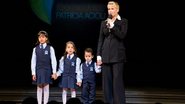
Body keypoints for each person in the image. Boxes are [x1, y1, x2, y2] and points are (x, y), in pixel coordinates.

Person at [96, 1, 128, 104]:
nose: (110, 11)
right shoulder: (104, 22)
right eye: (109, 9)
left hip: (118, 56)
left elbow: (122, 35)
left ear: (117, 9)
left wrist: (112, 26)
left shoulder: (123, 21)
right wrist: (98, 56)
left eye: (112, 8)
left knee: (117, 82)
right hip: (105, 55)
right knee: (106, 83)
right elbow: (101, 39)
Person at [31, 30, 57, 104]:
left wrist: (54, 72)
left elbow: (53, 60)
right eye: (39, 37)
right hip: (38, 70)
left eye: (43, 37)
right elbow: (33, 61)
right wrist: (33, 73)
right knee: (39, 88)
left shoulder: (50, 48)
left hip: (47, 70)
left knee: (46, 88)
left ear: (46, 38)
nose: (41, 38)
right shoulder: (35, 49)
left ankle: (45, 103)